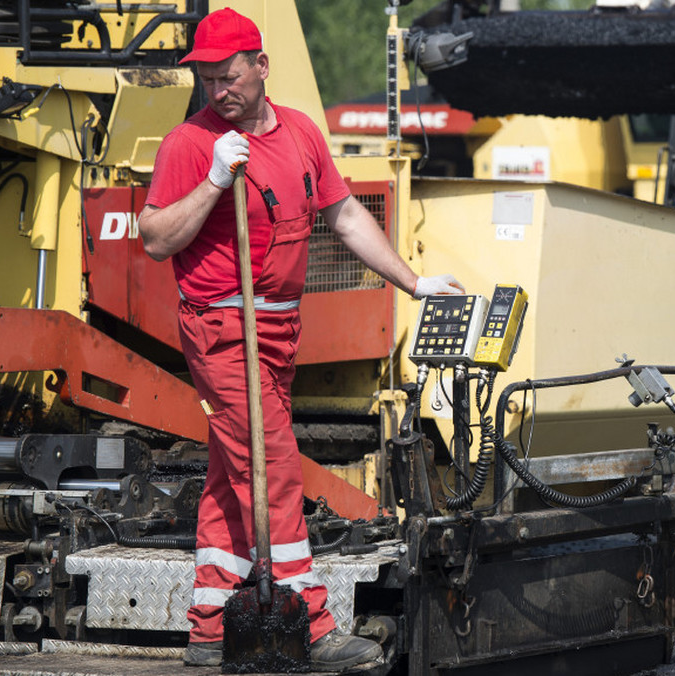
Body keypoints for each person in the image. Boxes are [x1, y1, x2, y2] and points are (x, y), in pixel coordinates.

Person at [138, 8, 463, 671]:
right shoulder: (191, 145)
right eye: (205, 79)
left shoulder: (303, 135)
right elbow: (155, 238)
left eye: (226, 76)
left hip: (279, 331)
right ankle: (311, 625)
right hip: (223, 330)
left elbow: (344, 216)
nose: (215, 90)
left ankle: (207, 628)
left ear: (261, 67)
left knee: (235, 477)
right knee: (271, 469)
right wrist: (212, 182)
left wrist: (414, 282)